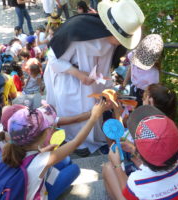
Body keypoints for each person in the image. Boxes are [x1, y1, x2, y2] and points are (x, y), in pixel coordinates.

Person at [44, 0, 144, 156]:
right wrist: (77, 74)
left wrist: (108, 89)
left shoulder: (113, 43)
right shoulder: (77, 31)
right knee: (75, 107)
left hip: (93, 81)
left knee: (93, 107)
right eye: (119, 38)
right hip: (68, 77)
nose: (119, 44)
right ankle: (75, 141)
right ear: (109, 29)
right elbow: (53, 59)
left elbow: (105, 67)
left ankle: (89, 138)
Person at [0, 99, 108, 199]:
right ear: (45, 133)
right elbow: (76, 142)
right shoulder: (41, 161)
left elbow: (30, 161)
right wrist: (94, 117)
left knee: (65, 161)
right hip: (39, 194)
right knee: (74, 168)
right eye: (49, 126)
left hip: (24, 187)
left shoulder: (12, 150)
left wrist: (44, 151)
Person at [102, 105, 178, 200]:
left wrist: (117, 166)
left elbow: (127, 195)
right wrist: (135, 150)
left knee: (108, 168)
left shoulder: (137, 181)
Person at [123, 34, 164, 106]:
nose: (138, 66)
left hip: (144, 94)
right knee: (131, 104)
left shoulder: (153, 75)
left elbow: (149, 93)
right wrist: (124, 83)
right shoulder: (133, 55)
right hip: (133, 86)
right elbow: (131, 68)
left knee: (137, 110)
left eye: (142, 64)